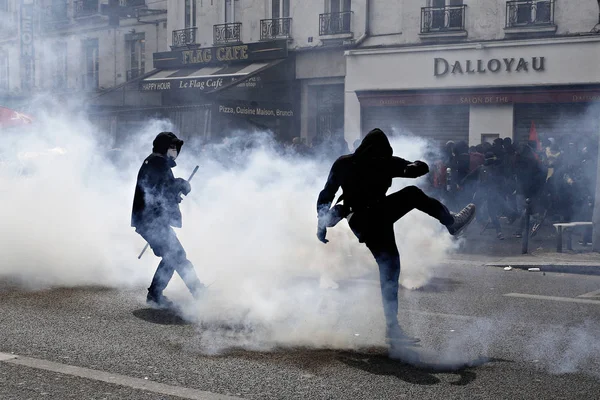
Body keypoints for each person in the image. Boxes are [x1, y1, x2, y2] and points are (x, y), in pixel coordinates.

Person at [315, 128, 476, 347]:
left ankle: (393, 329)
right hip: (372, 217)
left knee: (390, 270)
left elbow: (326, 195)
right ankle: (452, 222)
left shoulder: (351, 162)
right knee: (412, 194)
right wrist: (414, 164)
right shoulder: (381, 162)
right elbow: (421, 169)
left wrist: (321, 223)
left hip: (367, 222)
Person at [131, 132, 205, 308]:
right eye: (172, 146)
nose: (174, 150)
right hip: (150, 220)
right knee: (176, 255)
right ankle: (198, 292)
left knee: (173, 256)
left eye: (176, 147)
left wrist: (173, 195)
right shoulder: (157, 161)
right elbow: (158, 190)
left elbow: (159, 191)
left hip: (152, 220)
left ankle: (156, 294)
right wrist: (179, 185)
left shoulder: (156, 162)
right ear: (163, 146)